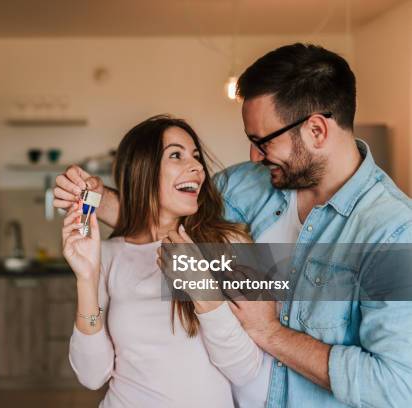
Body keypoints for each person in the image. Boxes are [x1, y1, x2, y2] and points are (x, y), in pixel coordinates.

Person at [55, 43, 412, 408]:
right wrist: (94, 198)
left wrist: (271, 332)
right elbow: (165, 218)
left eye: (263, 141)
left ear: (317, 131)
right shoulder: (251, 184)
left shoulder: (393, 231)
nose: (254, 156)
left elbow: (398, 385)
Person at [62, 115, 263, 407]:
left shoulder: (228, 245)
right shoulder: (108, 254)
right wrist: (86, 279)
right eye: (176, 155)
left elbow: (246, 370)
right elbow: (92, 376)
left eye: (196, 157)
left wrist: (203, 290)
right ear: (143, 170)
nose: (196, 167)